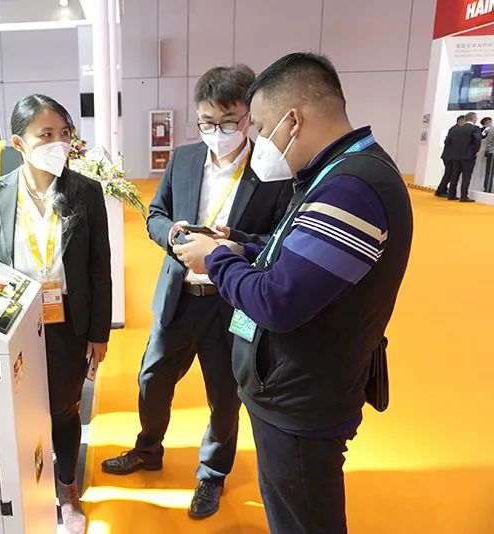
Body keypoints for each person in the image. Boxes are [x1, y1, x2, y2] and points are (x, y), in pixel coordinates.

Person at [173, 53, 413, 533]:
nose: (257, 140)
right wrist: (242, 246)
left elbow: (276, 300)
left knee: (301, 518)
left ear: (293, 121)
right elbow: (295, 256)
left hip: (303, 398)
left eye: (260, 128)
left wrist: (215, 259)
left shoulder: (351, 188)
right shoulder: (334, 174)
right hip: (294, 386)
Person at [100, 66, 292, 519]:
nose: (217, 132)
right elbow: (155, 214)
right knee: (151, 379)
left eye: (228, 122)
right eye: (207, 122)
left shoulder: (272, 171)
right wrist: (170, 234)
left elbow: (280, 237)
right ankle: (148, 449)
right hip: (179, 295)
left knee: (224, 396)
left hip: (230, 302)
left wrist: (235, 240)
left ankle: (212, 475)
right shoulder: (184, 159)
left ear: (248, 117)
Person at [0, 94, 112, 534]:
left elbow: (99, 270)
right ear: (19, 143)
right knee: (17, 411)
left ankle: (67, 491)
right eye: (46, 134)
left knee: (64, 409)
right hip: (15, 326)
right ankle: (27, 485)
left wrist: (99, 334)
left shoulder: (85, 192)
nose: (59, 143)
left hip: (67, 323)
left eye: (64, 133)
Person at [444, 111, 482, 202]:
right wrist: (475, 151)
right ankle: (464, 196)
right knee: (466, 176)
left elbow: (448, 141)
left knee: (454, 175)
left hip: (455, 155)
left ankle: (451, 195)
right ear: (474, 119)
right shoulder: (475, 128)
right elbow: (477, 140)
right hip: (468, 156)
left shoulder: (456, 129)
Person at [435, 114, 467, 197]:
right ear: (461, 121)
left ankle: (440, 190)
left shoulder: (453, 129)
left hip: (447, 155)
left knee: (448, 173)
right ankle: (441, 190)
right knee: (449, 173)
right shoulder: (456, 130)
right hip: (449, 156)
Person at [482, 117, 494, 193]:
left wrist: (487, 150)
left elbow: (488, 140)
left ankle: (487, 189)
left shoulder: (491, 129)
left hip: (492, 152)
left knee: (489, 172)